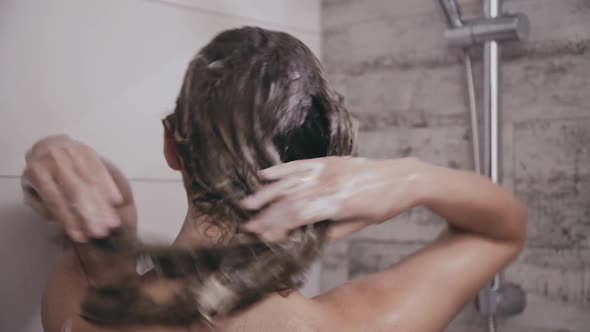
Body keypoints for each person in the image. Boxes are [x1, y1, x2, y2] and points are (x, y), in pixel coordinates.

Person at [23, 27, 527, 332]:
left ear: (171, 146)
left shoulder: (84, 311)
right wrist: (410, 177)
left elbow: (92, 227)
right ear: (332, 160)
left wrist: (53, 155)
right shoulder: (361, 324)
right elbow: (502, 229)